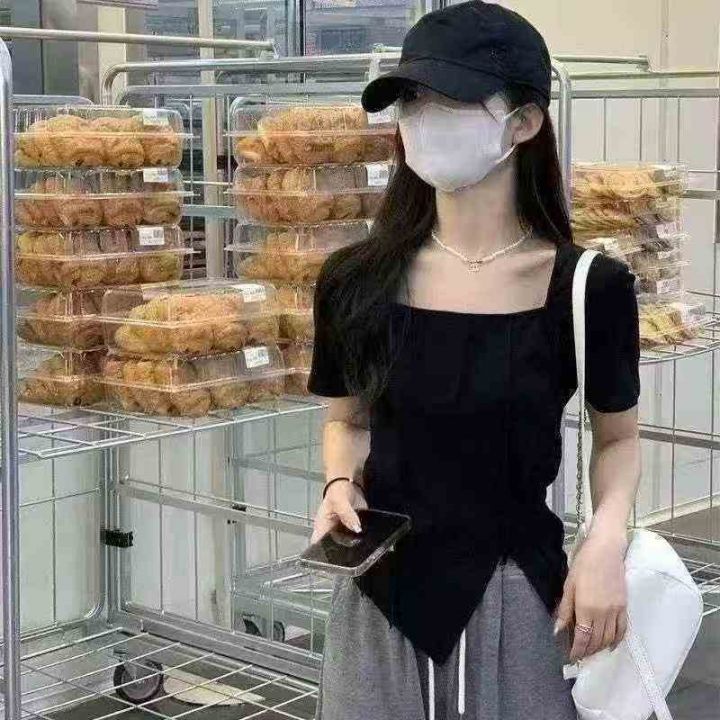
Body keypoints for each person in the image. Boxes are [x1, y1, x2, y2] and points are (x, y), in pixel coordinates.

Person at [308, 2, 641, 719]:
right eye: (411, 100)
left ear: (524, 122)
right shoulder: (354, 280)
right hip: (381, 591)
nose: (422, 119)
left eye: (450, 100)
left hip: (517, 595)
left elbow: (618, 439)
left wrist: (605, 540)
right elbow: (348, 420)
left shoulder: (589, 288)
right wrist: (338, 482)